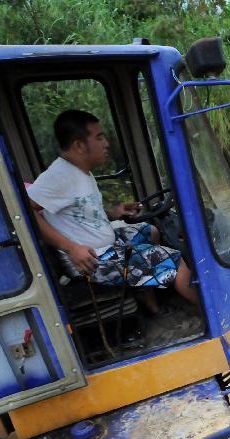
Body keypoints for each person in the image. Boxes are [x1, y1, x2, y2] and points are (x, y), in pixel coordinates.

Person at [27, 110, 198, 307]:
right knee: (177, 263)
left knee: (150, 231)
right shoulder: (58, 176)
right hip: (93, 262)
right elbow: (25, 213)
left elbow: (82, 212)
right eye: (99, 137)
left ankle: (148, 303)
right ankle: (214, 318)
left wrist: (114, 212)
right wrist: (72, 248)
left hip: (107, 245)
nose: (106, 143)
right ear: (79, 145)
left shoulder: (81, 172)